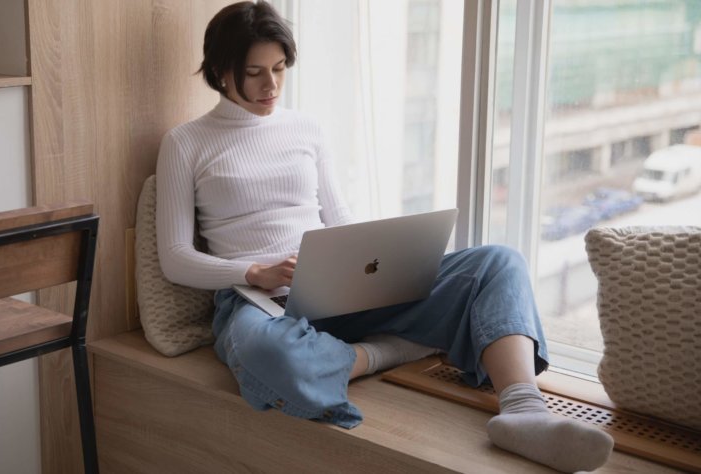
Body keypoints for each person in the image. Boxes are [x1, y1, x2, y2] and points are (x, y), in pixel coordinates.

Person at [156, 2, 614, 472]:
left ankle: (523, 411)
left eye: (278, 68)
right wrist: (254, 270)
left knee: (497, 262)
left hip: (333, 290)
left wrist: (370, 263)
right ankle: (388, 350)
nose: (270, 85)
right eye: (253, 72)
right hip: (255, 305)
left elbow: (340, 219)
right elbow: (174, 257)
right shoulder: (186, 142)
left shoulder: (306, 129)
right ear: (218, 70)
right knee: (268, 356)